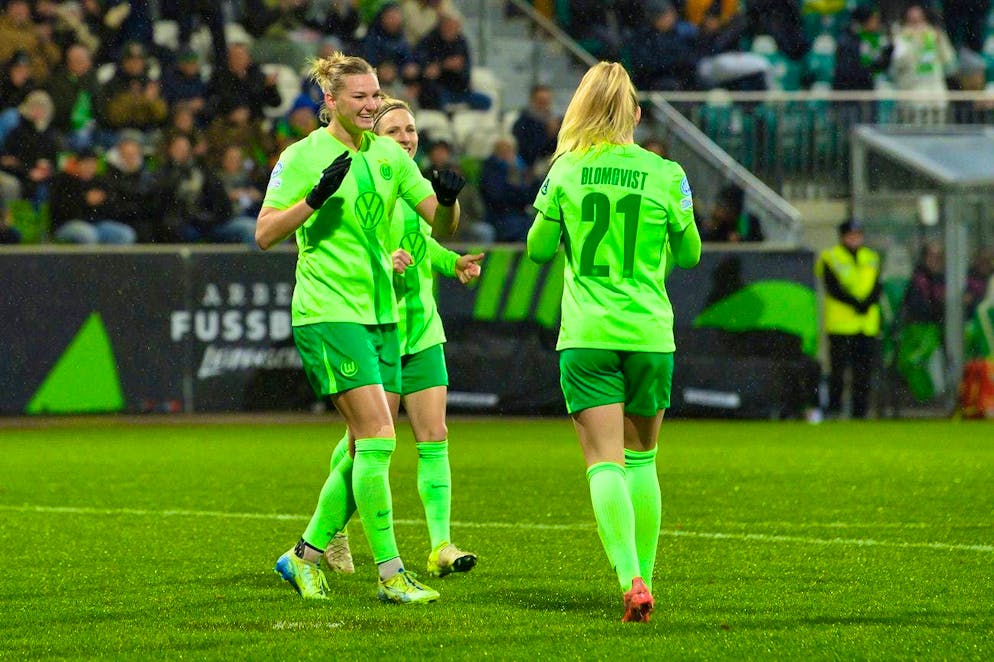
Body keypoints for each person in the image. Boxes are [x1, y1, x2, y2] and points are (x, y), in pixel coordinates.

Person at [255, 51, 465, 605]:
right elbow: (264, 233)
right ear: (330, 101)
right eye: (361, 98)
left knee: (362, 445)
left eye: (376, 95)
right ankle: (392, 573)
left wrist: (447, 200)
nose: (372, 106)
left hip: (384, 315)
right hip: (328, 311)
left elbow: (436, 223)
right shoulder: (300, 156)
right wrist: (313, 199)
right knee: (377, 437)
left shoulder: (389, 157)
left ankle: (302, 555)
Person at [526, 61, 702, 623]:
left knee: (604, 465)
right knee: (643, 460)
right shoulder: (666, 173)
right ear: (636, 115)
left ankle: (630, 578)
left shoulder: (566, 172)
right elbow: (693, 254)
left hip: (588, 336)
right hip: (650, 333)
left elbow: (536, 249)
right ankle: (645, 577)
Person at [320, 96, 484, 579]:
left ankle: (440, 545)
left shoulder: (413, 190)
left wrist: (452, 263)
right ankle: (329, 530)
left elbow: (427, 241)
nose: (407, 138)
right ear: (376, 138)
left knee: (434, 436)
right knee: (366, 442)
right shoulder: (369, 185)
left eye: (411, 129)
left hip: (422, 330)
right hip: (378, 328)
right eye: (395, 131)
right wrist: (380, 261)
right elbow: (342, 247)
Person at [814, 219, 882, 419]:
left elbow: (877, 285)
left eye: (858, 235)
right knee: (838, 370)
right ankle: (835, 410)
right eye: (851, 235)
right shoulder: (831, 257)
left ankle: (859, 412)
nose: (855, 239)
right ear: (842, 237)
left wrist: (867, 303)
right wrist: (856, 303)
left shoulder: (871, 257)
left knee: (863, 372)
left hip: (866, 324)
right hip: (841, 324)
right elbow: (833, 288)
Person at [48, 146, 136, 244]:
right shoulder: (63, 180)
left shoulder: (100, 181)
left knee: (125, 234)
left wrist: (101, 201)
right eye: (86, 163)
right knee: (88, 234)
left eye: (93, 163)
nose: (90, 167)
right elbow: (58, 209)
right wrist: (84, 200)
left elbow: (112, 207)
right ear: (78, 163)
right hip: (66, 224)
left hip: (96, 223)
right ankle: (89, 260)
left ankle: (112, 260)